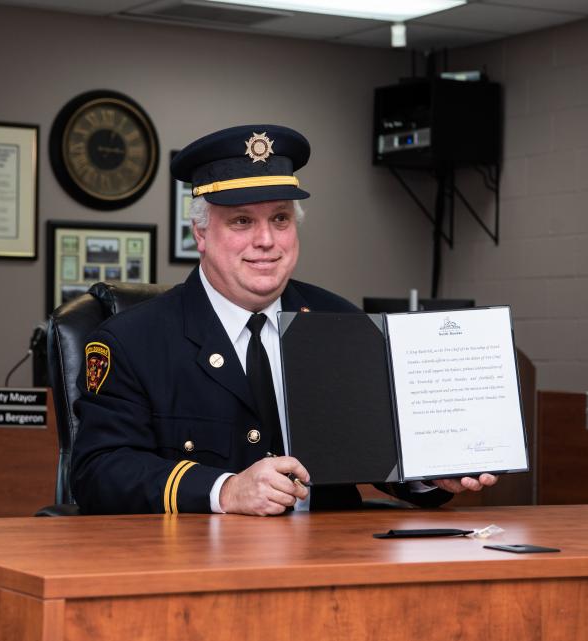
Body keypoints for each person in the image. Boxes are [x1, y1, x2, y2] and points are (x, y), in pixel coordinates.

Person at [72, 124, 496, 515]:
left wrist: (430, 474)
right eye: (242, 221)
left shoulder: (341, 324)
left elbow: (377, 451)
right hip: (196, 567)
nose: (266, 241)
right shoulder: (131, 340)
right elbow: (99, 472)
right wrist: (224, 490)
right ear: (200, 234)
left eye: (280, 219)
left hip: (332, 564)